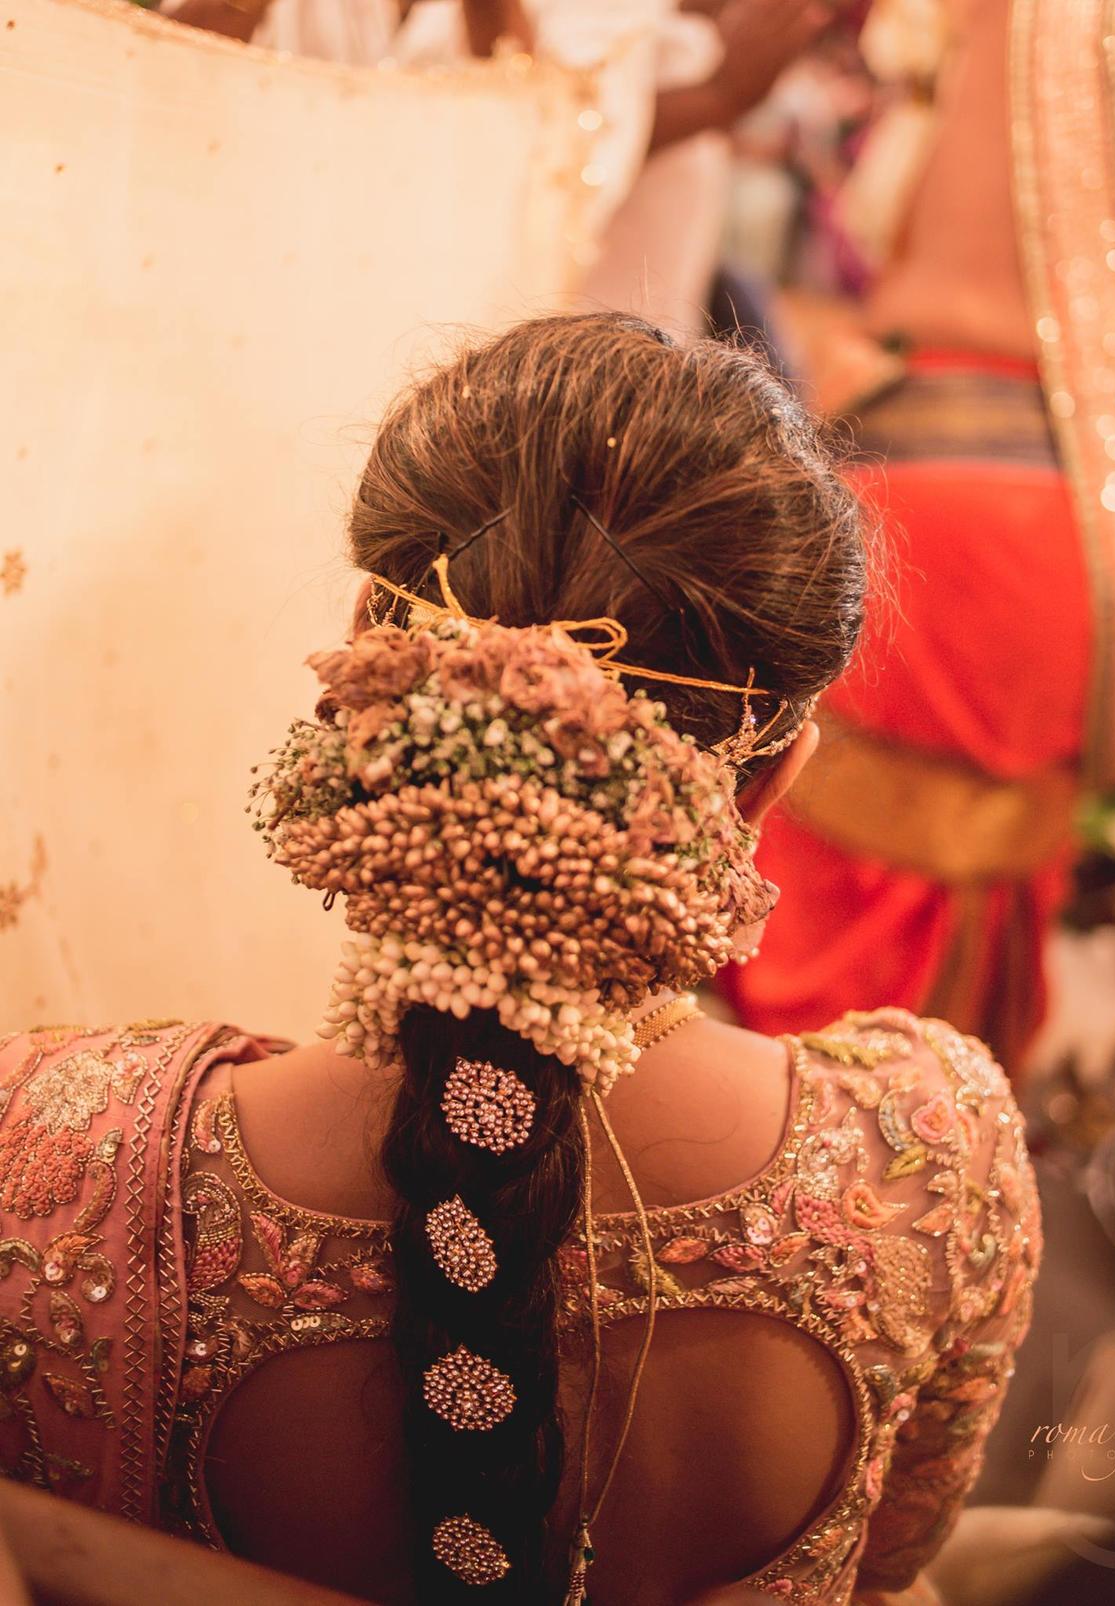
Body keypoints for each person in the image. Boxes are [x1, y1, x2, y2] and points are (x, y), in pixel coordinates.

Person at [0, 314, 1040, 1605]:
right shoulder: (936, 1159)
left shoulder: (43, 1164)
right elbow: (896, 1558)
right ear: (774, 774)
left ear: (360, 674)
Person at [723, 0, 1115, 1068]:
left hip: (947, 482)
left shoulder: (1019, 13)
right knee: (986, 879)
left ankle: (782, 1188)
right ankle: (932, 1172)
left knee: (831, 911)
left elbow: (886, 217)